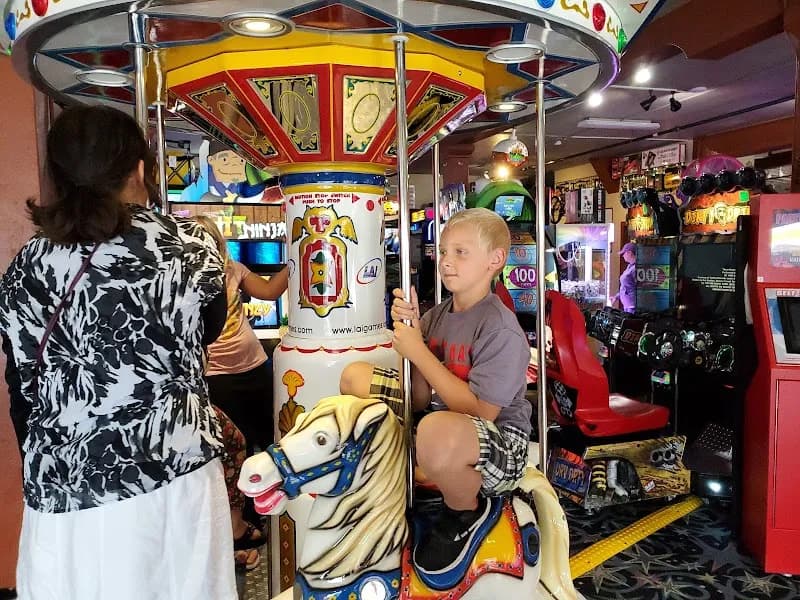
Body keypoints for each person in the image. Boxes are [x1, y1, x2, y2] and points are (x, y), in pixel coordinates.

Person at [0, 105, 236, 600]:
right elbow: (209, 328)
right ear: (139, 169)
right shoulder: (187, 250)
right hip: (174, 474)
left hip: (61, 491)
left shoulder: (27, 268)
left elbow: (21, 385)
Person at [339, 207, 531, 574]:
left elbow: (481, 412)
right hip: (439, 420)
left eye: (461, 252)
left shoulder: (501, 329)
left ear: (495, 260)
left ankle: (464, 512)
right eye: (443, 252)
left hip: (500, 441)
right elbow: (421, 395)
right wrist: (411, 330)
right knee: (355, 377)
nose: (446, 262)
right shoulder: (437, 315)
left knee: (434, 430)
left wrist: (418, 350)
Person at [194, 215, 288, 456]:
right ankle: (244, 493)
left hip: (254, 365)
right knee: (234, 444)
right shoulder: (186, 277)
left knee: (270, 436)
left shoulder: (233, 269)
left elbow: (269, 291)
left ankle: (270, 490)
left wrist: (297, 258)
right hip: (216, 375)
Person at [611, 241, 637, 313]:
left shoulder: (636, 268)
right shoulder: (629, 266)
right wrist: (616, 297)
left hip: (633, 307)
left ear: (629, 253)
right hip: (627, 306)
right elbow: (625, 287)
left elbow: (638, 288)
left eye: (624, 253)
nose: (622, 256)